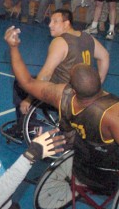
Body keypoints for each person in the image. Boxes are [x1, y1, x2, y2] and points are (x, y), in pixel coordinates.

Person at [5, 26, 119, 191]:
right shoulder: (114, 112)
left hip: (82, 163)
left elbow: (27, 81)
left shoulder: (62, 95)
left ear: (72, 88)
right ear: (99, 82)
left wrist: (14, 47)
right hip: (107, 173)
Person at [8, 8, 110, 142]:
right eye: (50, 21)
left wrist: (29, 98)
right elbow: (105, 56)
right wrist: (97, 84)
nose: (50, 25)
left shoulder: (60, 42)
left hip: (61, 97)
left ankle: (26, 127)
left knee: (21, 83)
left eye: (55, 21)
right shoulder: (88, 38)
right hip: (82, 96)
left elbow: (46, 74)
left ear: (66, 23)